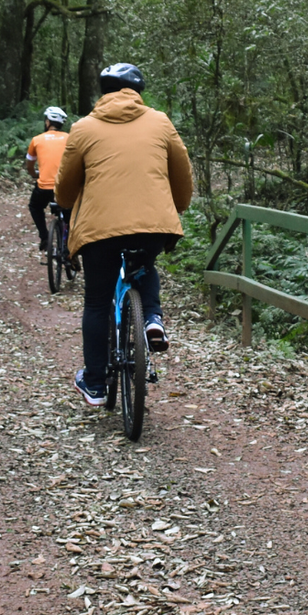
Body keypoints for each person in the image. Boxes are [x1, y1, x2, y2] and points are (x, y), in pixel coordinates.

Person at [53, 63, 193, 406]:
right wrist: (179, 204)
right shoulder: (160, 121)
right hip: (152, 224)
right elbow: (182, 173)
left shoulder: (83, 127)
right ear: (137, 92)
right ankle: (152, 319)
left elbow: (65, 190)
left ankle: (96, 385)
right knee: (144, 265)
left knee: (98, 301)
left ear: (103, 93)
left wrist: (68, 203)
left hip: (100, 230)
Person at [25, 106, 72, 252]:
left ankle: (45, 237)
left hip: (44, 188)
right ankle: (70, 246)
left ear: (47, 122)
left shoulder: (37, 140)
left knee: (35, 206)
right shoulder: (70, 138)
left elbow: (30, 165)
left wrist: (34, 174)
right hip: (64, 187)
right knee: (72, 212)